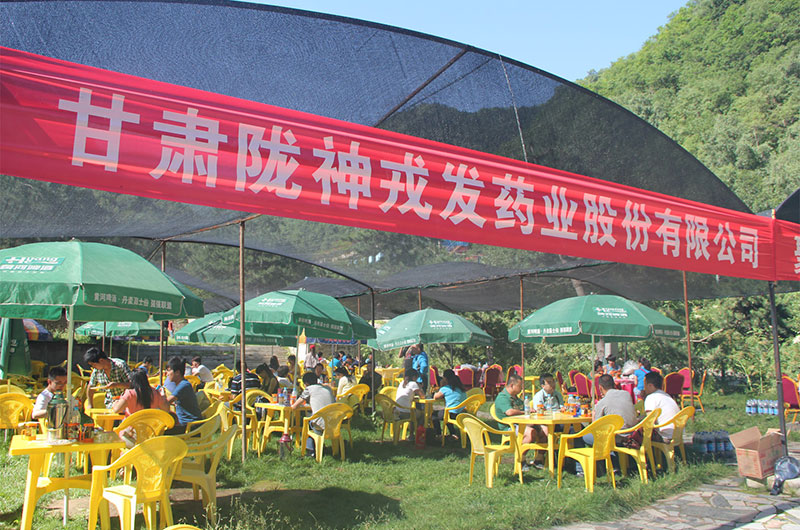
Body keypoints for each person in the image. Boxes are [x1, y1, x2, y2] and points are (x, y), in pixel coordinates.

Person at [494, 373, 537, 470]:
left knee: (543, 430)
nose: (522, 388)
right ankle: (520, 460)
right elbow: (509, 412)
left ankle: (540, 459)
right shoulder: (503, 397)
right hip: (509, 427)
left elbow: (525, 407)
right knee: (530, 432)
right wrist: (525, 412)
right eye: (520, 386)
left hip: (521, 424)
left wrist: (531, 410)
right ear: (512, 385)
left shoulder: (516, 397)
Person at [585, 374, 637, 445]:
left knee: (585, 436)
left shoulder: (602, 402)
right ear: (614, 384)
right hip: (632, 433)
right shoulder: (626, 394)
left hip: (616, 437)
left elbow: (596, 429)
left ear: (600, 388)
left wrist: (593, 416)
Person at [292, 371, 334, 458]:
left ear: (306, 383)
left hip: (320, 424)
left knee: (307, 423)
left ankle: (310, 450)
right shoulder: (327, 388)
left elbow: (295, 406)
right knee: (313, 419)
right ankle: (322, 446)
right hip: (334, 423)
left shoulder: (309, 389)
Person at [163, 356, 203, 432]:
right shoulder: (182, 384)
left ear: (177, 372)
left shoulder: (183, 385)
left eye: (169, 370)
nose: (166, 374)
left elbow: (165, 403)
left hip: (190, 426)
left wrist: (161, 395)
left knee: (160, 432)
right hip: (186, 423)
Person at [643, 371, 681, 440]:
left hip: (665, 436)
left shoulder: (651, 397)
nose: (644, 389)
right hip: (677, 435)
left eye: (645, 385)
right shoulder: (666, 395)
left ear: (650, 385)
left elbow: (650, 421)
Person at [431, 369, 466, 437]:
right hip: (462, 412)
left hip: (452, 413)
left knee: (434, 415)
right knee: (446, 412)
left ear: (445, 378)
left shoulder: (446, 388)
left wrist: (441, 386)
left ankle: (438, 434)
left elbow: (436, 397)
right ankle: (453, 433)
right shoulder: (461, 388)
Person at [531, 373, 564, 442]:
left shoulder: (558, 395)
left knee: (575, 427)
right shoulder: (539, 396)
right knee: (546, 430)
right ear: (543, 386)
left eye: (553, 381)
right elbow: (539, 411)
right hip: (545, 422)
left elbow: (562, 408)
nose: (553, 384)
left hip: (558, 421)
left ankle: (571, 447)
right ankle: (546, 448)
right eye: (549, 382)